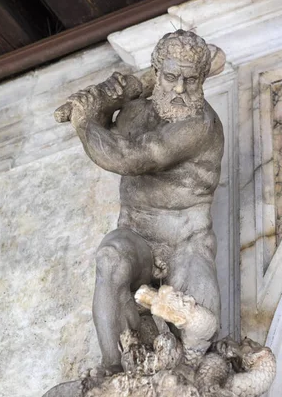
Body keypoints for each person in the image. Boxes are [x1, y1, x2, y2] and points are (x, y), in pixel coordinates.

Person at [66, 30, 224, 374]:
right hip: (138, 233)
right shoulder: (135, 112)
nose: (180, 89)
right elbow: (111, 129)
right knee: (110, 258)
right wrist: (109, 96)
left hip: (187, 241)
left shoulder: (199, 124)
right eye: (170, 77)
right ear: (157, 72)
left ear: (202, 79)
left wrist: (84, 123)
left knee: (200, 329)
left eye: (191, 80)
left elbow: (132, 158)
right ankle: (111, 369)